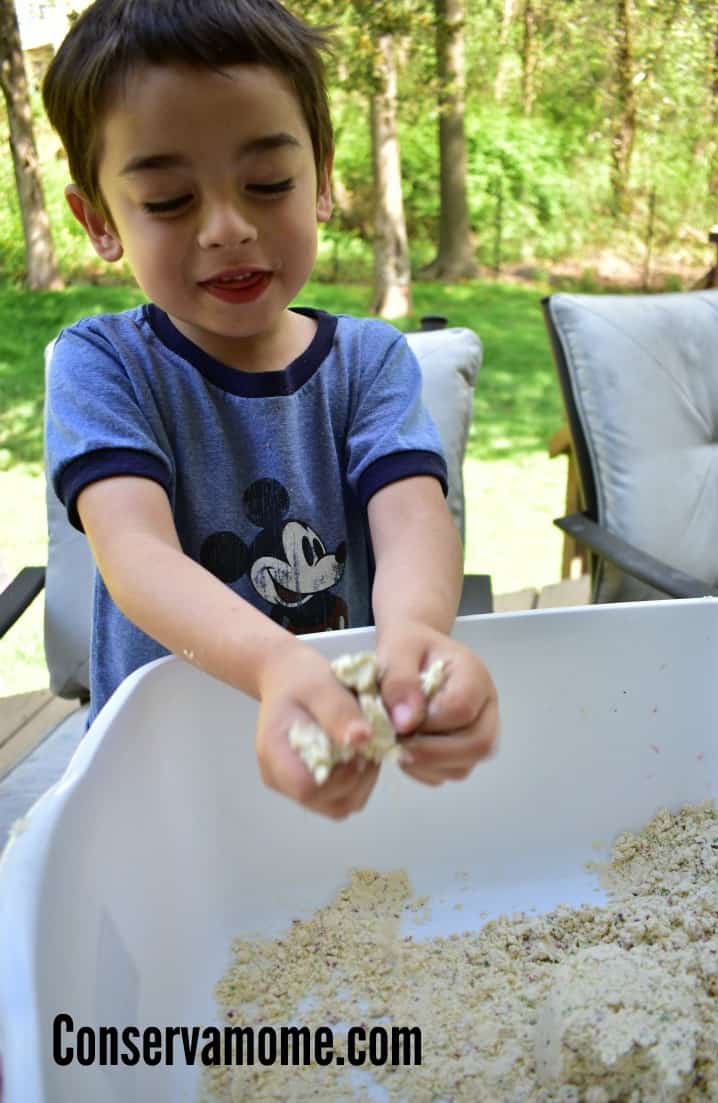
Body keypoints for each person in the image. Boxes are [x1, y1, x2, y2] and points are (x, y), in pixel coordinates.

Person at [41, 0, 498, 819]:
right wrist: (276, 664)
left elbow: (412, 520)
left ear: (322, 180)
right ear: (100, 220)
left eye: (268, 184)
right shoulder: (101, 364)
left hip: (331, 756)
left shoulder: (369, 361)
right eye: (170, 201)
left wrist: (417, 635)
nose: (228, 228)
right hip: (161, 775)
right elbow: (134, 550)